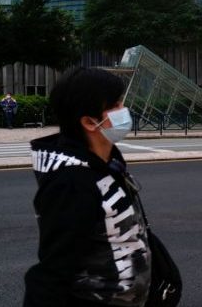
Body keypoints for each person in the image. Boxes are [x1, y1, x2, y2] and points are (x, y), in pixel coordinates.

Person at [24, 68, 151, 307]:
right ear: (89, 122)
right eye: (115, 105)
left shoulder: (110, 162)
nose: (124, 109)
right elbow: (54, 270)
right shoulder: (70, 183)